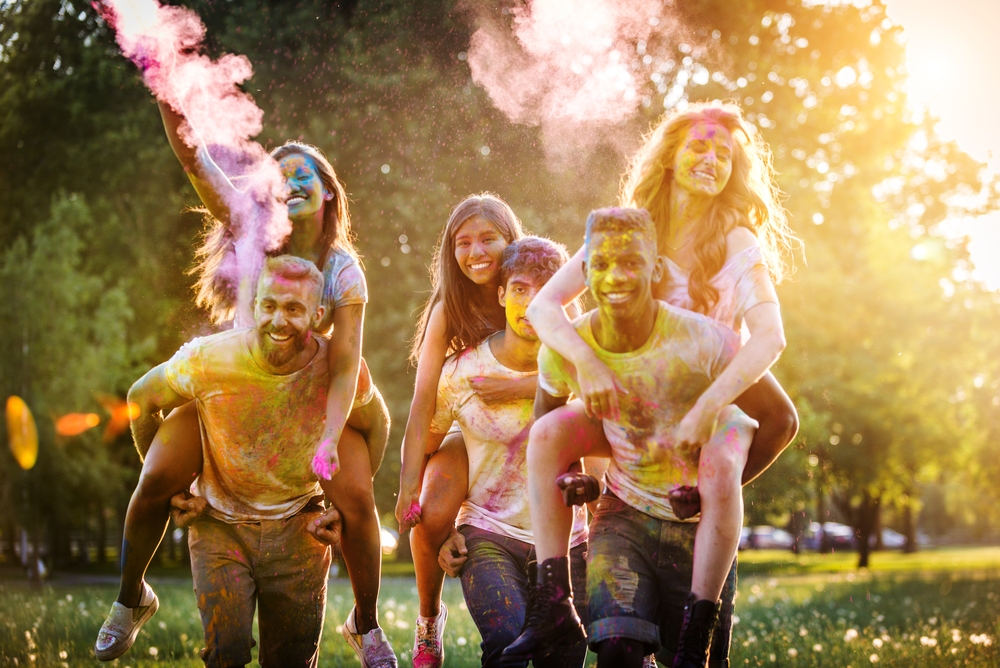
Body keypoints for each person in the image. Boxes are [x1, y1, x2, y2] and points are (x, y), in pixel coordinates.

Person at [95, 101, 396, 667]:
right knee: (157, 473)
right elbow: (192, 155)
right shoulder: (250, 227)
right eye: (279, 175)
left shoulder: (342, 267)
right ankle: (131, 598)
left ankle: (366, 623)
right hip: (235, 383)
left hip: (307, 390)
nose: (291, 180)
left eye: (304, 172)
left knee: (359, 476)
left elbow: (347, 361)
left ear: (328, 191)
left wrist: (330, 444)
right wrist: (165, 84)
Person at [507, 102, 799, 667]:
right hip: (630, 407)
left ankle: (709, 528)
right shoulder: (632, 224)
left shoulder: (736, 241)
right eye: (698, 146)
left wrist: (710, 427)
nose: (710, 159)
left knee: (774, 421)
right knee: (545, 434)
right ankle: (552, 604)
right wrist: (587, 366)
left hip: (699, 410)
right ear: (669, 156)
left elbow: (770, 338)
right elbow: (545, 308)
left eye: (723, 153)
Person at [112, 256, 345, 667]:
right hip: (219, 527)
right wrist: (175, 491)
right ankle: (130, 599)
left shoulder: (335, 366)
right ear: (254, 306)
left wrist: (345, 503)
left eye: (294, 309)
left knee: (291, 659)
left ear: (318, 315)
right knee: (225, 654)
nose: (278, 320)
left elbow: (377, 422)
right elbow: (139, 400)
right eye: (269, 306)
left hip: (299, 528)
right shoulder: (209, 358)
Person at [419, 236, 589, 668]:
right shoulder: (464, 372)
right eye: (519, 289)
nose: (531, 303)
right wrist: (441, 532)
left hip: (569, 543)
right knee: (505, 647)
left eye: (545, 290)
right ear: (500, 294)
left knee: (564, 659)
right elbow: (428, 448)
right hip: (489, 532)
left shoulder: (586, 363)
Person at [398, 194, 543, 668]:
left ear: (511, 241)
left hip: (536, 425)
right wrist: (406, 488)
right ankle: (426, 622)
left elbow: (587, 370)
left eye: (488, 239)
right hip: (470, 427)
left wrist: (521, 385)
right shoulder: (449, 308)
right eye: (463, 242)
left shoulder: (533, 291)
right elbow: (423, 404)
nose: (476, 251)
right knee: (428, 504)